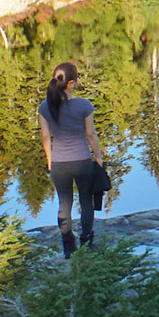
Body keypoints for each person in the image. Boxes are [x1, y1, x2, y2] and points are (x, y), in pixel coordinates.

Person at [37, 62, 103, 258]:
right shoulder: (84, 105)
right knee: (86, 202)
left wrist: (50, 160)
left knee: (64, 203)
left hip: (59, 163)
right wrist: (97, 156)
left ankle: (68, 246)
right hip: (82, 160)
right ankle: (87, 243)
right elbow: (91, 134)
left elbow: (46, 137)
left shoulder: (44, 107)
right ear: (72, 83)